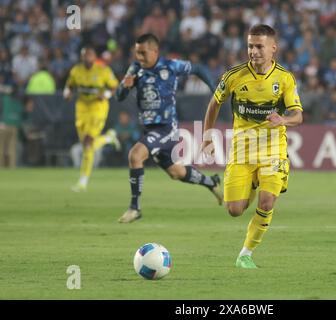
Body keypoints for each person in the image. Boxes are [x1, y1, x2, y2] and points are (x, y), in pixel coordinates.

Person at [201, 24, 303, 269]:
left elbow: (298, 115)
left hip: (272, 149)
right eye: (250, 46)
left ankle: (245, 254)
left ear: (273, 48)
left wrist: (284, 119)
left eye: (259, 46)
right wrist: (207, 136)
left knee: (267, 202)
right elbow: (214, 104)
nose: (254, 51)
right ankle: (254, 183)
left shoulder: (284, 78)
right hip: (242, 149)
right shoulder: (233, 76)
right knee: (234, 210)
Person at [115, 33, 223, 223]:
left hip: (166, 128)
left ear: (155, 51)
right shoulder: (134, 69)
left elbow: (197, 68)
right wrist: (125, 86)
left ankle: (135, 208)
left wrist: (215, 89)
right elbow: (119, 96)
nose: (139, 57)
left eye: (143, 53)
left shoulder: (171, 66)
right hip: (148, 130)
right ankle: (211, 182)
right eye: (137, 53)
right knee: (177, 173)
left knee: (135, 155)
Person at [63, 46, 121, 192]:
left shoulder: (103, 71)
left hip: (98, 108)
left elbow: (115, 87)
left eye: (89, 55)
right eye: (84, 55)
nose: (87, 58)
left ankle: (83, 181)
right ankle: (108, 138)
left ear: (94, 57)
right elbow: (69, 85)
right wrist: (67, 93)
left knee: (88, 142)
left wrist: (106, 95)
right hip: (82, 109)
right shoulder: (76, 70)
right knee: (86, 146)